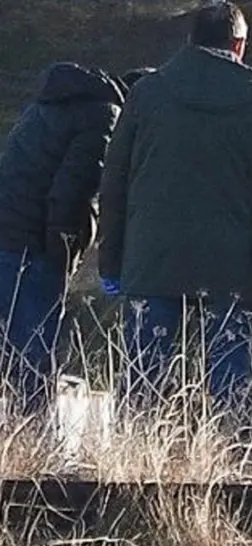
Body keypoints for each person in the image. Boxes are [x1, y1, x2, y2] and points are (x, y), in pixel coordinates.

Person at [98, 1, 252, 411]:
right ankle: (225, 463)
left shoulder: (147, 93)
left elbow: (115, 181)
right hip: (230, 265)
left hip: (151, 257)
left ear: (190, 40)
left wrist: (110, 263)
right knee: (229, 389)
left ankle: (134, 468)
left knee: (143, 385)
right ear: (239, 44)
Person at [0, 61, 149, 417]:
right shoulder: (105, 116)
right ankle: (33, 448)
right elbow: (72, 193)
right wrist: (64, 257)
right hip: (32, 247)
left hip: (9, 234)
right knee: (33, 359)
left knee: (12, 356)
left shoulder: (60, 103)